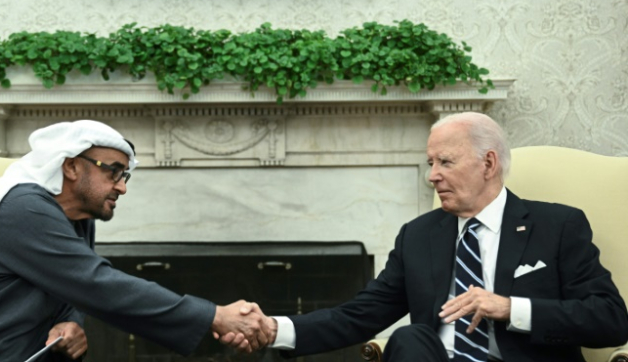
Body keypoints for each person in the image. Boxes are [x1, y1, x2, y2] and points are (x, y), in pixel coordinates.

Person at [222, 112, 628, 361]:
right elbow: (360, 314)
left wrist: (510, 307)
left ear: (488, 163)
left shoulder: (557, 226)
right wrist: (275, 329)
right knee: (411, 336)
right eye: (430, 162)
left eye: (445, 162)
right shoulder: (418, 236)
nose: (432, 175)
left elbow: (611, 320)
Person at [0, 120, 271, 362]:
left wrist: (69, 322)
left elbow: (74, 286)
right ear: (70, 165)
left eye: (127, 176)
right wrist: (214, 315)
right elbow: (97, 284)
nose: (122, 186)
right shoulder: (22, 208)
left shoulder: (76, 218)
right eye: (114, 172)